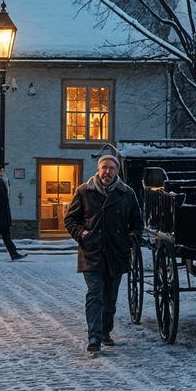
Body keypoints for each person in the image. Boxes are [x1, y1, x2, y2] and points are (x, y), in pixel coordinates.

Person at [64, 152, 143, 357]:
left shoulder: (127, 193)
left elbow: (137, 221)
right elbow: (70, 219)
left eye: (112, 168)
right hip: (92, 252)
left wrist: (131, 237)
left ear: (117, 171)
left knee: (110, 299)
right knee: (95, 294)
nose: (107, 171)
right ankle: (94, 337)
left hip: (116, 252)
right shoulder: (84, 191)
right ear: (98, 170)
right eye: (104, 167)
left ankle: (105, 331)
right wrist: (82, 234)